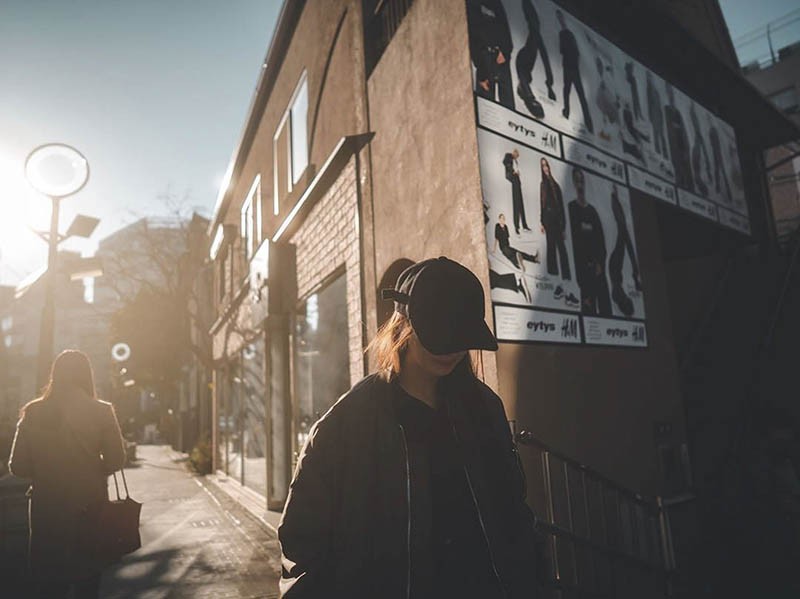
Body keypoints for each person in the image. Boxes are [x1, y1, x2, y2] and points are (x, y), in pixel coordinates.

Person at [278, 257, 541, 598]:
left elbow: (514, 514)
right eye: (440, 336)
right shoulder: (347, 424)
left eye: (462, 337)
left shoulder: (485, 409)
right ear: (403, 324)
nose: (453, 350)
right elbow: (302, 548)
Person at [8, 350, 126, 599]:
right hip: (90, 505)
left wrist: (46, 469)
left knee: (50, 581)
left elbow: (17, 466)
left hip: (46, 509)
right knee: (88, 580)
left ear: (55, 375)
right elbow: (117, 460)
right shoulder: (101, 411)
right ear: (87, 375)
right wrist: (92, 470)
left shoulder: (33, 412)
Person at [567, 167, 611, 315]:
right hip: (583, 272)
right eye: (577, 180)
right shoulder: (571, 209)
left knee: (605, 308)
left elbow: (601, 242)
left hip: (598, 270)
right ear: (573, 182)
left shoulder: (592, 212)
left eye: (581, 180)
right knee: (588, 311)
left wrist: (600, 263)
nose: (579, 183)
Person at [467, 0, 515, 109]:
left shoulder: (495, 2)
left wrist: (505, 52)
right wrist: (482, 72)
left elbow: (504, 26)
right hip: (484, 58)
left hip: (501, 56)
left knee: (508, 104)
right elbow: (473, 39)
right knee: (486, 107)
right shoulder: (470, 5)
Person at [515, 0, 555, 119]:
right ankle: (528, 98)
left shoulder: (538, 38)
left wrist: (549, 84)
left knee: (535, 27)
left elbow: (545, 59)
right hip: (523, 60)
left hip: (524, 62)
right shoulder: (536, 34)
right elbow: (545, 58)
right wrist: (549, 84)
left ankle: (524, 92)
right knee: (535, 27)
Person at [557, 9, 593, 133]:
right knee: (570, 92)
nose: (560, 20)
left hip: (570, 67)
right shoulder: (565, 34)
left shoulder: (566, 34)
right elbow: (572, 52)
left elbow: (565, 51)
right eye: (559, 18)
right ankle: (569, 114)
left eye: (560, 17)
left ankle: (587, 123)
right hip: (571, 67)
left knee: (575, 94)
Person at [608, 185, 641, 317]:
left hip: (615, 267)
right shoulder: (619, 295)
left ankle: (614, 197)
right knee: (624, 233)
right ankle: (614, 197)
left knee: (622, 231)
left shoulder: (618, 295)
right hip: (616, 268)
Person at [539, 157, 570, 280]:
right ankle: (553, 275)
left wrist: (564, 227)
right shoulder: (543, 185)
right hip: (547, 219)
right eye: (543, 166)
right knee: (550, 246)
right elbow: (542, 203)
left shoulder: (555, 186)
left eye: (546, 165)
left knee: (561, 248)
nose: (545, 168)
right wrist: (542, 222)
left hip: (557, 220)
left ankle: (566, 276)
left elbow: (561, 206)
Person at [664, 82, 694, 192]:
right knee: (679, 171)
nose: (671, 95)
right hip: (674, 149)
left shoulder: (678, 113)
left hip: (682, 148)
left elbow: (683, 132)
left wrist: (686, 149)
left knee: (686, 170)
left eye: (672, 92)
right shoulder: (666, 110)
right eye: (669, 92)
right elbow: (668, 128)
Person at [503, 148, 530, 234]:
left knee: (520, 203)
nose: (516, 156)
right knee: (516, 203)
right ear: (514, 152)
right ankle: (516, 227)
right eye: (516, 154)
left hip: (517, 180)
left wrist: (517, 173)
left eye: (517, 156)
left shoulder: (516, 161)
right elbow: (505, 162)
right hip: (513, 179)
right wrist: (513, 171)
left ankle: (524, 225)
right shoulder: (508, 156)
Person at [646, 71, 668, 160]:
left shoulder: (656, 91)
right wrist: (651, 116)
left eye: (650, 77)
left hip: (659, 115)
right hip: (654, 115)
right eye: (648, 77)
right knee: (656, 134)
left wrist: (662, 117)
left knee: (661, 135)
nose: (650, 79)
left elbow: (659, 106)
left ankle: (665, 153)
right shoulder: (649, 88)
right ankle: (658, 152)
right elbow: (649, 103)